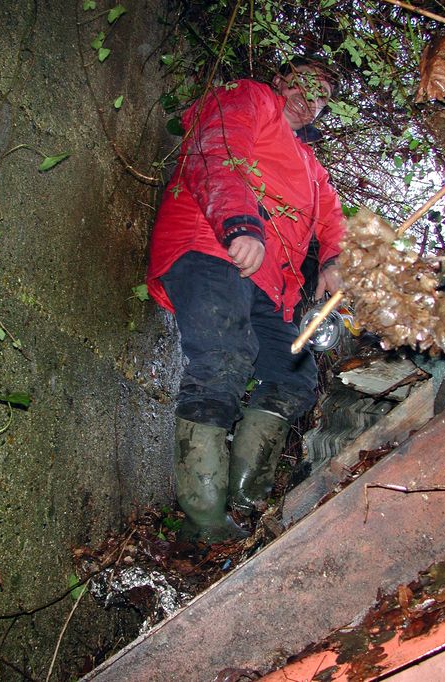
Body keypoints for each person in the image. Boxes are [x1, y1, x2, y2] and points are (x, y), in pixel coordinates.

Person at [147, 56, 345, 544]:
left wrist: (335, 260)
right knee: (223, 360)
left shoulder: (314, 169)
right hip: (211, 243)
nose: (310, 97)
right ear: (280, 81)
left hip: (271, 285)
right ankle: (202, 520)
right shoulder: (249, 97)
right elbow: (215, 147)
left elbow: (334, 221)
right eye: (302, 83)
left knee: (293, 378)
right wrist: (239, 222)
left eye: (321, 95)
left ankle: (243, 501)